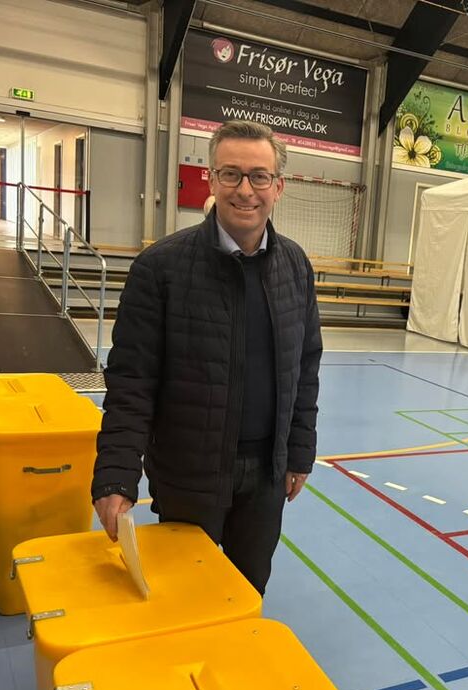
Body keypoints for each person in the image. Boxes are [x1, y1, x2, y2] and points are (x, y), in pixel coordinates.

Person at [92, 120, 322, 595]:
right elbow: (132, 381)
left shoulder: (295, 267)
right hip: (188, 476)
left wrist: (299, 452)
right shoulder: (160, 269)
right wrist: (116, 474)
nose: (245, 190)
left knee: (246, 591)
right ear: (211, 180)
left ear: (278, 187)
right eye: (231, 174)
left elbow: (305, 368)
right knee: (187, 597)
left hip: (266, 477)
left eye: (259, 176)